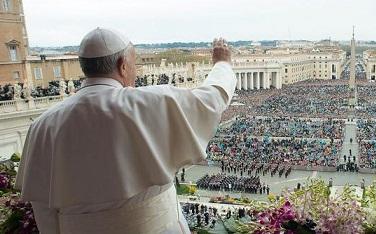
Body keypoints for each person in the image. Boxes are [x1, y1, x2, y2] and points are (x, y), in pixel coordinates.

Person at [16, 28, 235, 234]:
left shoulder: (42, 125)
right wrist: (222, 64)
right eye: (134, 64)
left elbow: (43, 208)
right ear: (122, 65)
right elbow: (211, 99)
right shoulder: (148, 103)